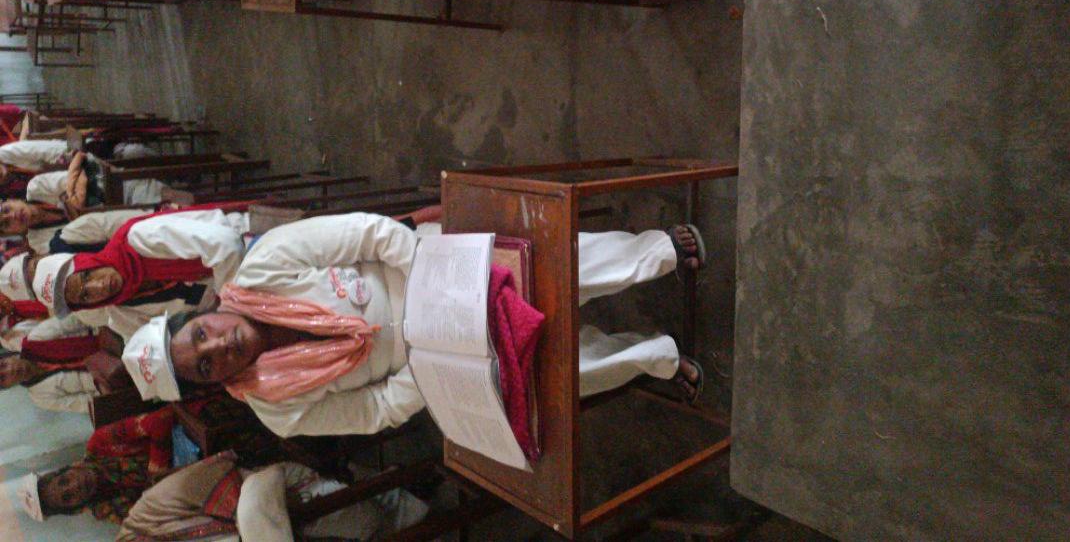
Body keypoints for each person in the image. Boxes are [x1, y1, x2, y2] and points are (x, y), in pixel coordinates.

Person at [123, 211, 704, 438]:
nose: (219, 346)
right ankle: (650, 357)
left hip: (426, 267)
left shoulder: (263, 267)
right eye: (206, 366)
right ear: (214, 383)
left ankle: (654, 254)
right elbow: (374, 410)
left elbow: (368, 235)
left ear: (201, 314)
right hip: (432, 369)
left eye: (201, 334)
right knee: (543, 379)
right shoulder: (279, 411)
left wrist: (434, 286)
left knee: (550, 269)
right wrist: (432, 361)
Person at [114, 450, 431, 542]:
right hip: (277, 530)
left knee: (366, 520)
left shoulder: (148, 512)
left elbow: (232, 486)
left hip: (279, 494)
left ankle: (400, 491)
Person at [29, 206, 247, 319]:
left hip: (248, 241)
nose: (98, 286)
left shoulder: (137, 239)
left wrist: (230, 306)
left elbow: (226, 244)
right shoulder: (128, 294)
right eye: (86, 296)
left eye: (86, 275)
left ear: (86, 260)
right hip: (240, 277)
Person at [17, 406, 175, 525]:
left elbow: (159, 421)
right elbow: (158, 517)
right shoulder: (106, 509)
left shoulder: (100, 444)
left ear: (66, 469)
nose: (74, 486)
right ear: (75, 509)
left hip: (186, 427)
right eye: (67, 497)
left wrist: (157, 477)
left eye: (64, 481)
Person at [0, 347, 99, 411]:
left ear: (8, 356)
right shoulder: (41, 398)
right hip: (105, 381)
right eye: (3, 378)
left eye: (3, 365)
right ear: (7, 386)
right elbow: (92, 404)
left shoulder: (37, 342)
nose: (11, 370)